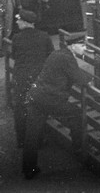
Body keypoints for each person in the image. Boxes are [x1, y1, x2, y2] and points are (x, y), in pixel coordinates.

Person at [22, 35, 91, 180]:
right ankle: (78, 150)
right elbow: (80, 79)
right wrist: (90, 77)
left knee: (32, 135)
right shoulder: (68, 58)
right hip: (51, 99)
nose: (85, 48)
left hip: (35, 96)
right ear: (72, 46)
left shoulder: (56, 54)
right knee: (77, 114)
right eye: (82, 45)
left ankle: (29, 169)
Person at [11, 10, 54, 148]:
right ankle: (38, 140)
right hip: (38, 78)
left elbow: (14, 55)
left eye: (19, 20)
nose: (17, 22)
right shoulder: (44, 36)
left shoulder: (16, 38)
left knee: (20, 108)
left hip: (21, 77)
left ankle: (22, 140)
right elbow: (51, 56)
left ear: (25, 22)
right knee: (38, 108)